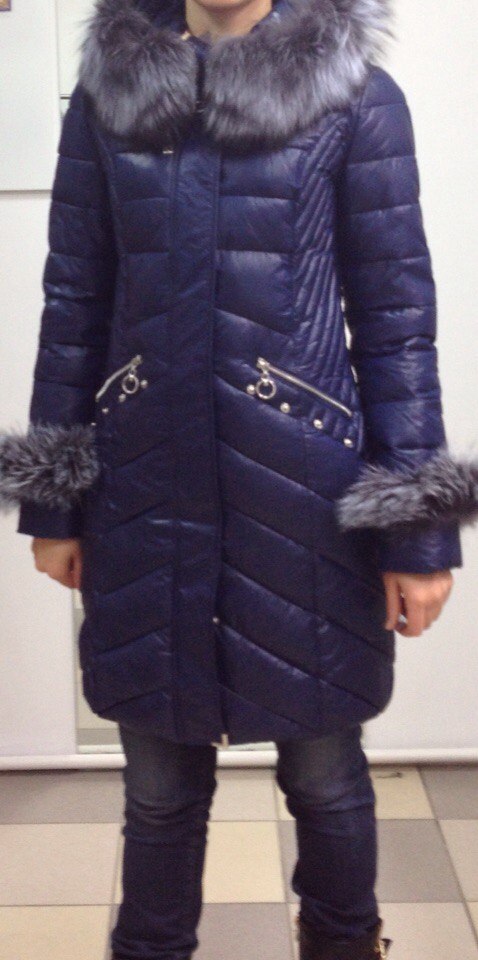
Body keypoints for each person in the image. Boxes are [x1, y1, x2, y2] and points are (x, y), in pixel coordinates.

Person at [1, 0, 477, 957]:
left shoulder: (355, 96)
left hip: (305, 498)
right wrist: (55, 501)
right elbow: (74, 302)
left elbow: (396, 323)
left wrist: (418, 532)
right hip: (145, 488)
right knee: (158, 790)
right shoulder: (108, 97)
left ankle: (344, 942)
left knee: (325, 778)